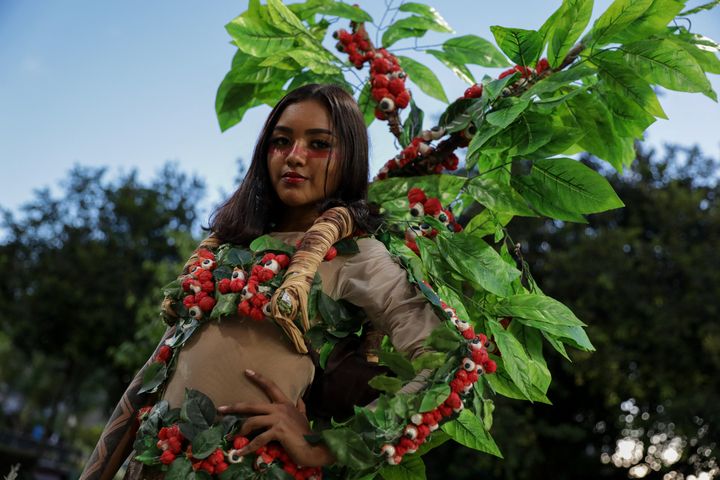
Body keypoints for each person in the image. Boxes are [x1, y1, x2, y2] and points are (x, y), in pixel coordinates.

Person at [81, 83, 442, 479]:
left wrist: (329, 447)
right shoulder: (224, 252)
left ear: (349, 157)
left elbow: (446, 361)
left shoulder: (358, 254)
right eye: (281, 141)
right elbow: (152, 376)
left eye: (319, 144)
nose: (294, 157)